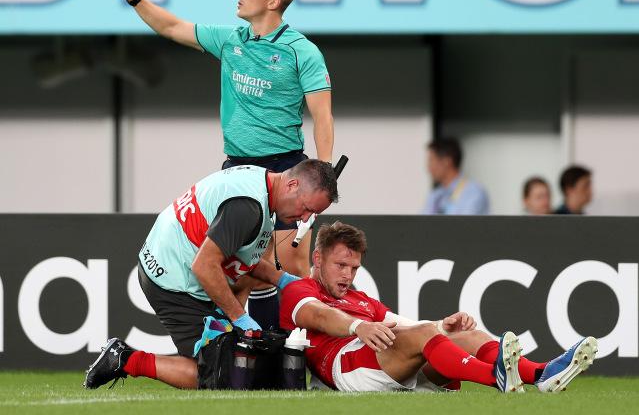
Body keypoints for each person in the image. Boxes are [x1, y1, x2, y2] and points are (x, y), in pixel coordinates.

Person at [105, 0, 334, 329]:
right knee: (239, 274)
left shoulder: (302, 51)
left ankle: (297, 360)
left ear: (273, 2)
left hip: (285, 169)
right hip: (239, 172)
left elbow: (323, 116)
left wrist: (322, 176)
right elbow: (171, 26)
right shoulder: (230, 40)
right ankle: (247, 359)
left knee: (291, 270)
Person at [83, 159, 338, 390]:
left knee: (238, 362)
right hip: (172, 280)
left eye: (312, 215)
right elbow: (204, 266)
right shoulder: (247, 208)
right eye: (305, 209)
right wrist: (240, 318)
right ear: (292, 184)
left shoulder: (263, 182)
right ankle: (125, 359)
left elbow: (240, 257)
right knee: (221, 376)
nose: (304, 219)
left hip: (173, 260)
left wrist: (281, 280)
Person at [280, 221, 598, 393]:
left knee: (470, 336)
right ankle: (494, 376)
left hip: (381, 361)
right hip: (345, 368)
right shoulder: (300, 290)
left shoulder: (360, 298)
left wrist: (442, 326)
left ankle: (541, 375)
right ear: (317, 258)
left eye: (354, 268)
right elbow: (319, 315)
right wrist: (358, 326)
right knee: (421, 336)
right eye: (340, 265)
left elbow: (404, 324)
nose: (348, 275)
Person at [422, 138, 490, 215]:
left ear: (447, 161)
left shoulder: (473, 192)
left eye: (431, 160)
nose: (428, 168)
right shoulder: (436, 196)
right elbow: (421, 224)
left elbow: (464, 225)